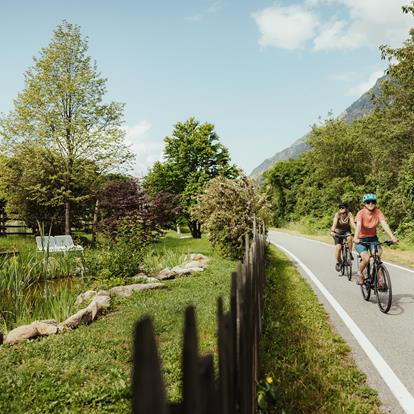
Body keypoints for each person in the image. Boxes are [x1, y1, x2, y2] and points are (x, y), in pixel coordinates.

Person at [354, 193, 398, 285]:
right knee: (365, 259)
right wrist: (355, 237)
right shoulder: (360, 213)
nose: (370, 204)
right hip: (361, 240)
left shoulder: (378, 212)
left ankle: (379, 280)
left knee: (376, 256)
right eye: (368, 202)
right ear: (364, 204)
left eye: (373, 202)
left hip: (373, 239)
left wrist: (392, 237)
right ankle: (359, 273)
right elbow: (358, 225)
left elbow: (384, 224)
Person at [330, 202, 355, 272]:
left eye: (343, 208)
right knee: (338, 247)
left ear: (346, 209)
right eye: (340, 208)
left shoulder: (349, 214)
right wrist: (332, 231)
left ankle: (350, 253)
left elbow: (352, 223)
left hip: (346, 231)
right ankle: (338, 262)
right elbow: (334, 223)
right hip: (337, 232)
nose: (341, 210)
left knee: (349, 238)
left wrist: (358, 230)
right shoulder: (337, 214)